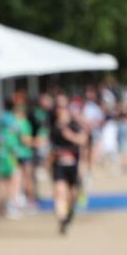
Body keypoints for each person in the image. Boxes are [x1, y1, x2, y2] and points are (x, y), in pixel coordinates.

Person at [50, 99, 87, 235]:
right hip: (59, 165)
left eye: (63, 107)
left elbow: (83, 140)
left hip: (73, 165)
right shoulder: (53, 127)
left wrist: (70, 136)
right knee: (60, 192)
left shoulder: (74, 125)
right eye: (58, 107)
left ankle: (69, 214)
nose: (60, 110)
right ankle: (62, 220)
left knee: (73, 196)